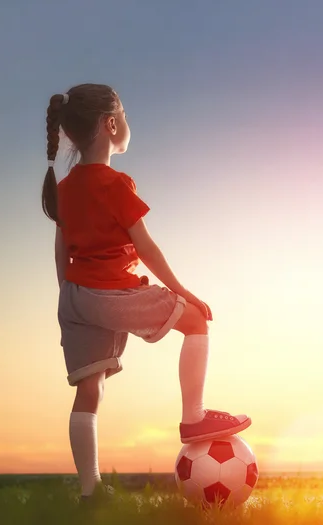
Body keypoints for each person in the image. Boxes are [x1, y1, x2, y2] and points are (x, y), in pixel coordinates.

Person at [41, 83, 251, 499]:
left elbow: (61, 249)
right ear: (111, 124)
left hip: (75, 297)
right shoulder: (117, 184)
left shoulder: (63, 189)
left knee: (89, 389)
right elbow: (146, 247)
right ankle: (193, 417)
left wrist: (69, 299)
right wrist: (183, 291)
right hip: (109, 292)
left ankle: (91, 492)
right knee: (195, 320)